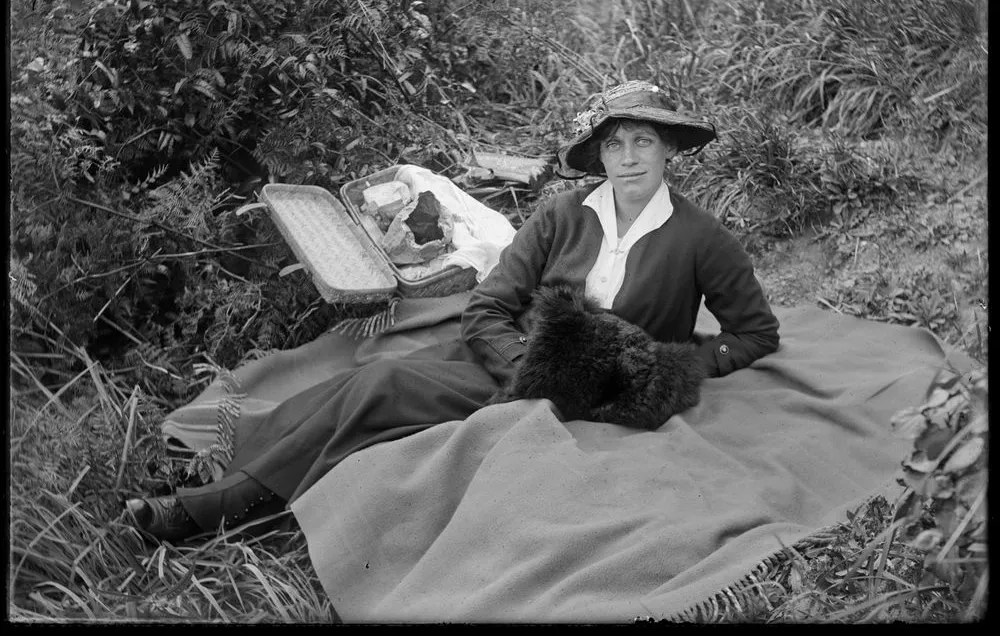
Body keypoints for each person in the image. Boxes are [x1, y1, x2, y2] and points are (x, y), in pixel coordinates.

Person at [125, 80, 780, 541]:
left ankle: (205, 508)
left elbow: (755, 332)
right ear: (601, 154)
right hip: (514, 362)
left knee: (380, 392)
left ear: (669, 149)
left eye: (644, 142)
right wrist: (519, 363)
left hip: (590, 390)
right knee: (364, 383)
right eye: (616, 145)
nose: (629, 158)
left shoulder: (701, 239)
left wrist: (678, 365)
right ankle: (217, 468)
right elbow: (491, 304)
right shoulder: (562, 214)